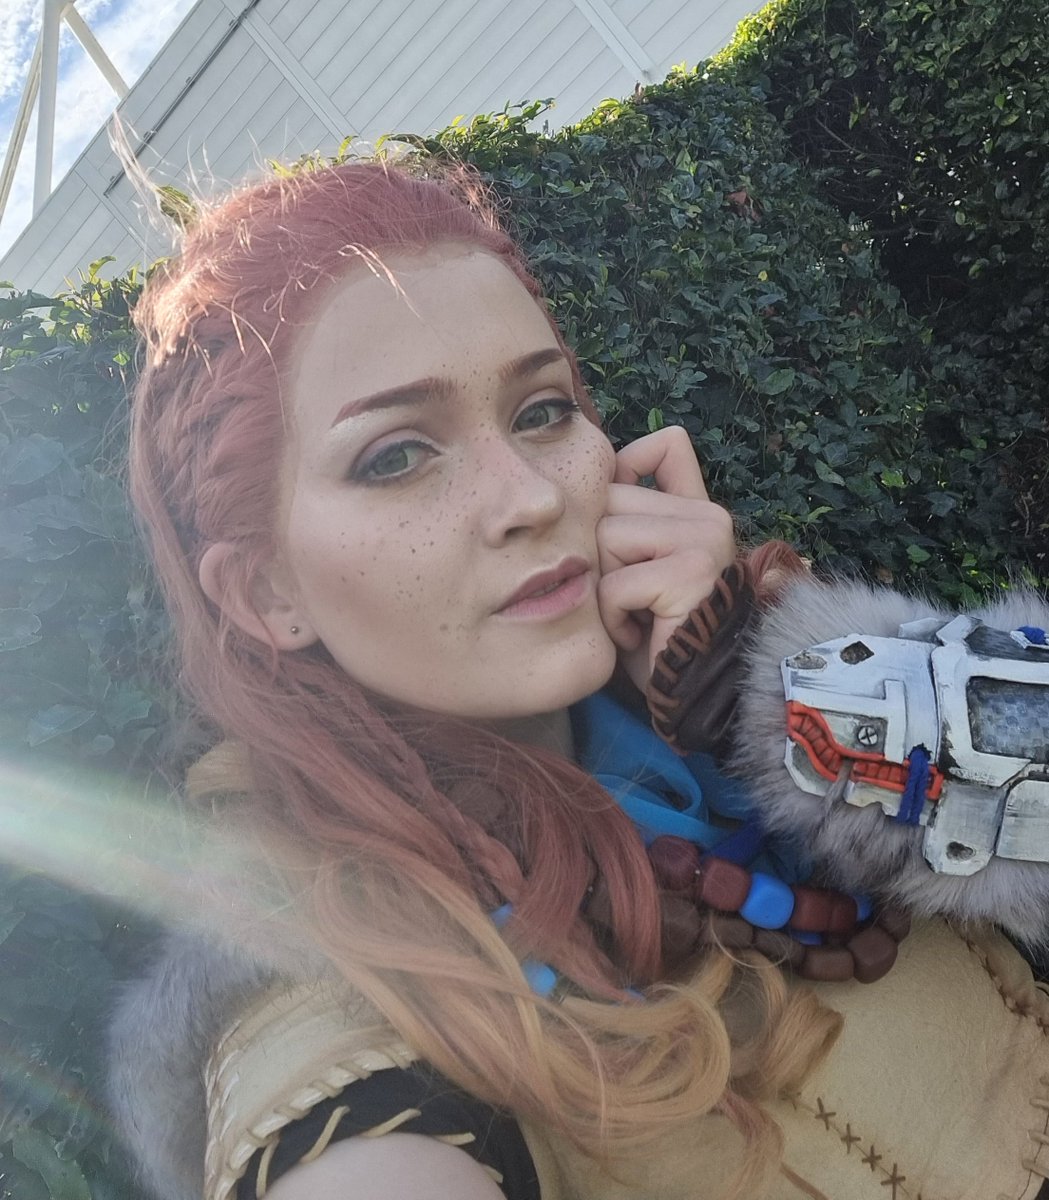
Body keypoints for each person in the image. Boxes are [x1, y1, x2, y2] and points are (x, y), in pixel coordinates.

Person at [108, 160, 1049, 1200]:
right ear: (265, 593)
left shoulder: (763, 707)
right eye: (394, 458)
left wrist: (774, 685)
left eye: (541, 411)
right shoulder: (339, 1052)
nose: (528, 497)